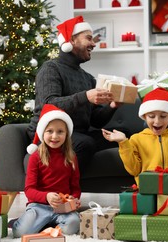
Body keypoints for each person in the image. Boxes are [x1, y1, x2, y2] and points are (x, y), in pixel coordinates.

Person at [27, 16, 122, 174]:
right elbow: (48, 104)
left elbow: (96, 120)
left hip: (77, 132)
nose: (93, 44)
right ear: (71, 40)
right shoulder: (50, 68)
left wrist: (113, 106)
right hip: (50, 132)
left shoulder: (86, 77)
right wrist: (86, 96)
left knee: (121, 137)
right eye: (89, 38)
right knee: (85, 144)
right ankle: (60, 190)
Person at [12, 104, 81, 238]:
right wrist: (46, 196)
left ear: (66, 134)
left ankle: (45, 225)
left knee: (73, 224)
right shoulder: (35, 157)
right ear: (43, 133)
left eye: (60, 131)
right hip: (39, 206)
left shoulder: (71, 157)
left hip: (62, 207)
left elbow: (75, 187)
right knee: (19, 232)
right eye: (50, 131)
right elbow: (29, 190)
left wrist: (74, 198)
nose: (54, 136)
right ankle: (25, 221)